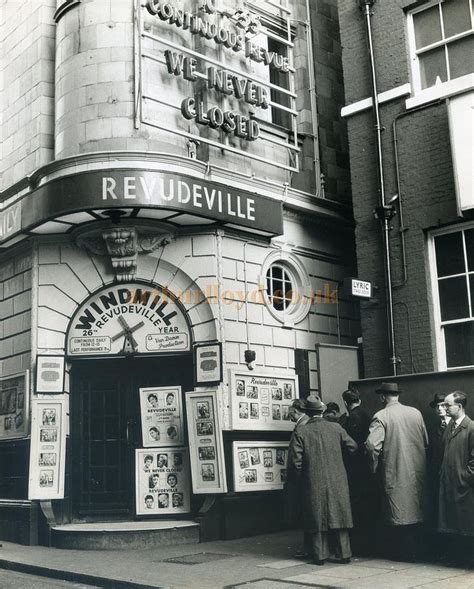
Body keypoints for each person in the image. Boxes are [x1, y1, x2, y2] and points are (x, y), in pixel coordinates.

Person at [288, 395, 358, 565]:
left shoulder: (301, 431)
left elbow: (295, 462)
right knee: (339, 516)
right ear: (321, 411)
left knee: (316, 518)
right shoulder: (336, 428)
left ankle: (320, 556)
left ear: (308, 412)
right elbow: (353, 447)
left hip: (312, 480)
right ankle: (344, 554)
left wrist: (298, 480)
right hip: (337, 479)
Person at [365, 382, 429, 561]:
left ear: (382, 397)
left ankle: (404, 554)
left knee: (398, 512)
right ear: (397, 395)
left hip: (394, 470)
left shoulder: (381, 415)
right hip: (417, 471)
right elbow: (425, 441)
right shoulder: (415, 413)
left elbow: (371, 446)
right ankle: (418, 552)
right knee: (417, 510)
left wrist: (373, 467)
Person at [438, 391, 474, 564]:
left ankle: (467, 560)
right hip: (449, 484)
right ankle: (457, 559)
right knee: (452, 523)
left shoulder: (471, 428)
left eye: (447, 405)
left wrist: (464, 477)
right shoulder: (449, 427)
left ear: (459, 406)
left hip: (463, 487)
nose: (444, 408)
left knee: (466, 524)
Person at [341, 388, 372, 555]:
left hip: (355, 467)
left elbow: (351, 444)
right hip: (367, 466)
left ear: (346, 403)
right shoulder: (367, 414)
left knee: (357, 507)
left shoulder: (352, 417)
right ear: (359, 399)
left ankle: (359, 546)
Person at [286, 398, 310, 558]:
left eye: (289, 412)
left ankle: (308, 548)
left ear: (295, 411)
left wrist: (297, 477)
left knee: (306, 514)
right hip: (308, 476)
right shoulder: (306, 423)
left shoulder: (301, 427)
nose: (288, 416)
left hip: (303, 479)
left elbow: (297, 458)